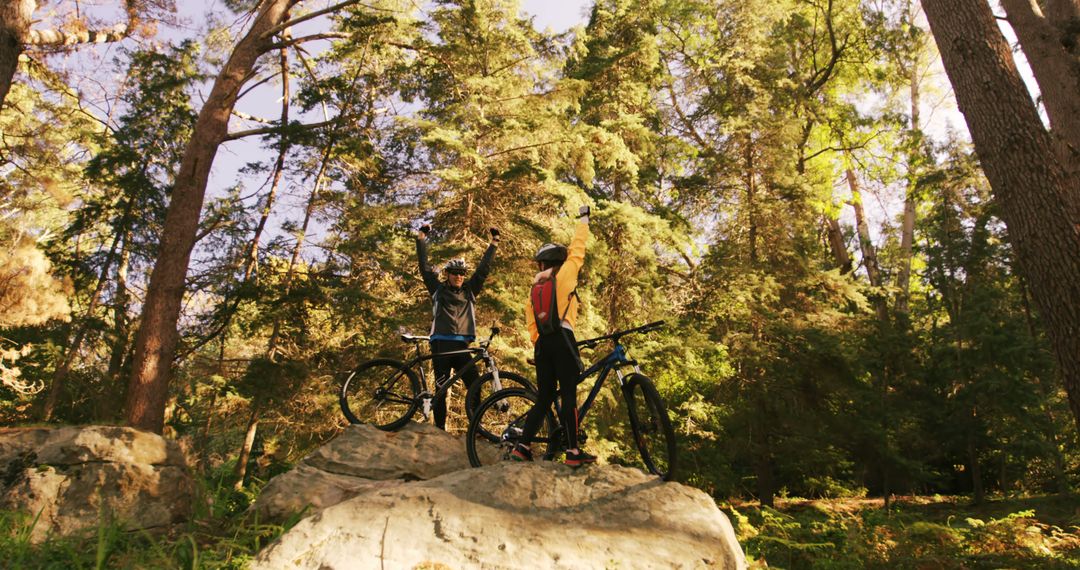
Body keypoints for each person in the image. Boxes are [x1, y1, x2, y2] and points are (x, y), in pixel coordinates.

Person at [514, 205, 596, 466]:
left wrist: (538, 343)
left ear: (542, 264)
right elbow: (578, 247)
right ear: (560, 259)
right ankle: (573, 453)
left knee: (545, 396)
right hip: (563, 337)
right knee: (569, 392)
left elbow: (531, 322)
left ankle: (523, 446)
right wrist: (583, 219)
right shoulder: (566, 273)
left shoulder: (535, 288)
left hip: (542, 345)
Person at [416, 223, 499, 430]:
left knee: (475, 386)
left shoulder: (470, 290)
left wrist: (494, 244)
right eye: (454, 273)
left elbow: (483, 269)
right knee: (441, 389)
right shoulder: (437, 289)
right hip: (441, 345)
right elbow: (425, 267)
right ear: (448, 274)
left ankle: (476, 429)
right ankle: (439, 430)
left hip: (462, 346)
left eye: (462, 273)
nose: (459, 276)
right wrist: (421, 239)